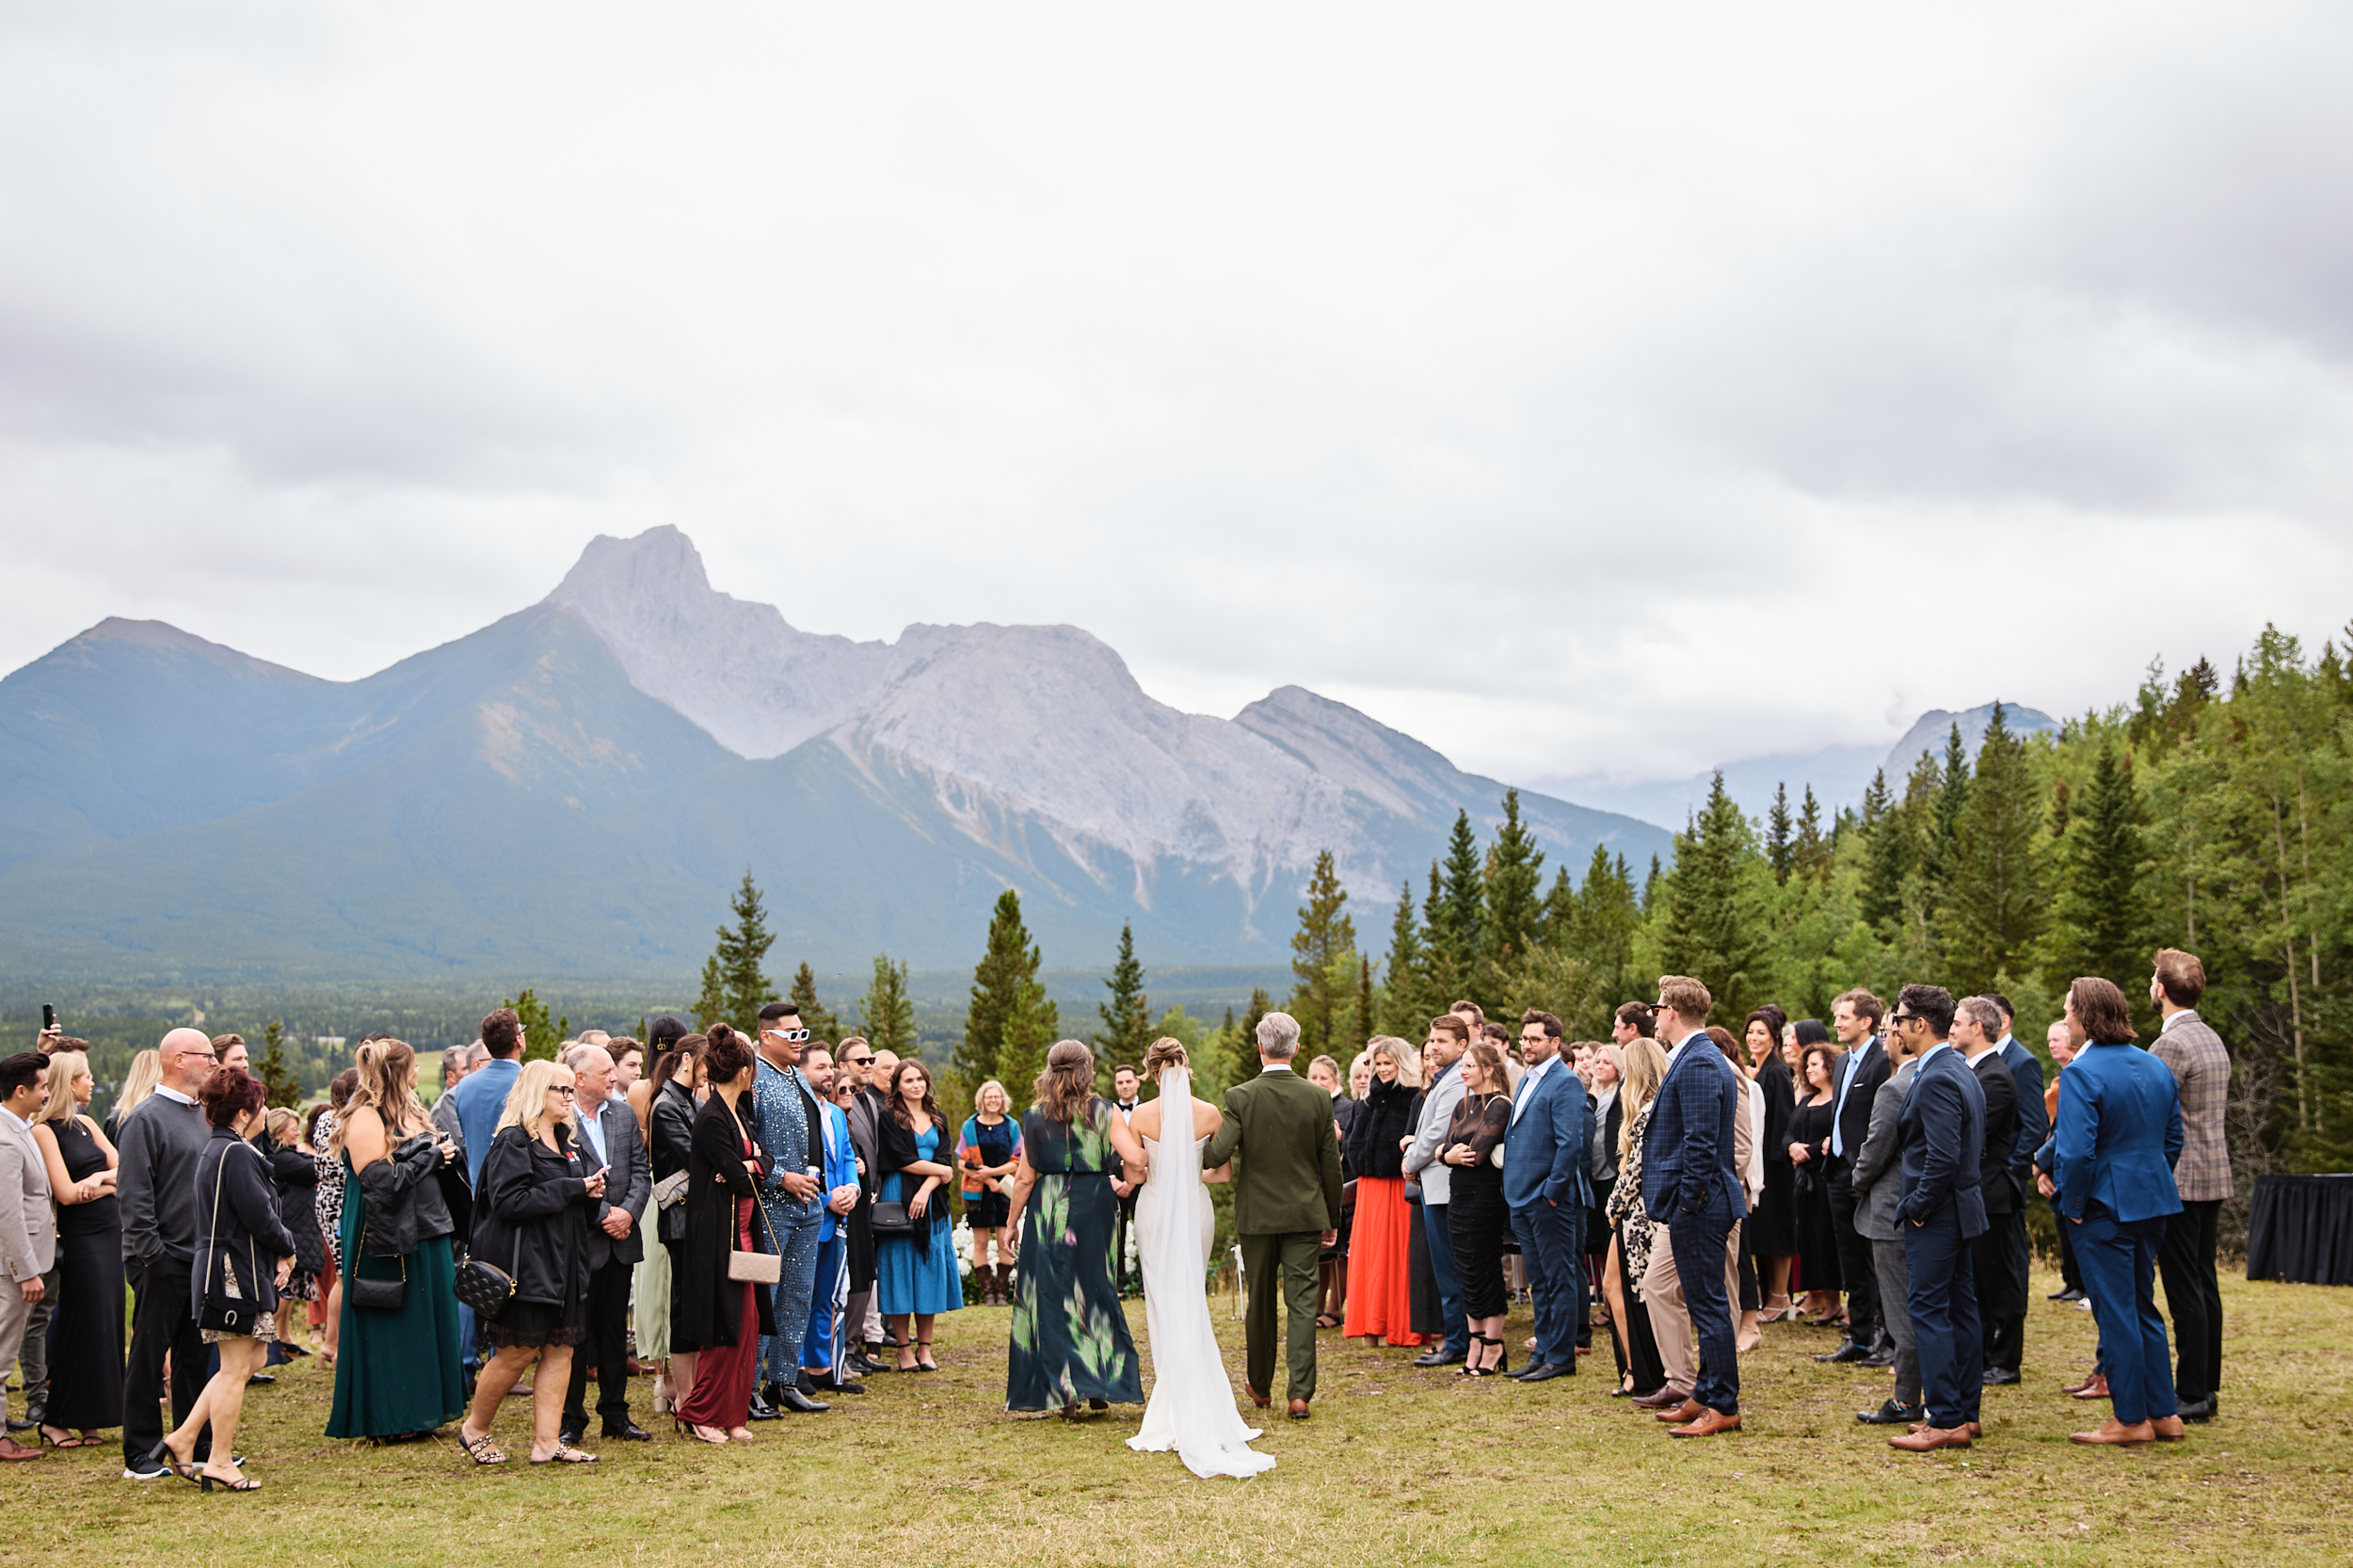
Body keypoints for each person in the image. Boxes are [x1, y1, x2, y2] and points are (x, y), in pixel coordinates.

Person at [1123, 1037, 1269, 1477]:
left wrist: (1161, 1169)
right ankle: (1193, 1392)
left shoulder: (1141, 1115)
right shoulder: (1209, 1113)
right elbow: (1221, 1173)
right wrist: (1189, 1169)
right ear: (1187, 1067)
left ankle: (1171, 1390)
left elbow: (1135, 1172)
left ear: (1150, 1071)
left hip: (1153, 1208)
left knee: (1162, 1298)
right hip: (1194, 1207)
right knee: (1191, 1293)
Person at [2051, 976, 2185, 1447]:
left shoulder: (2082, 1074)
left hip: (2104, 1208)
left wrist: (2076, 1205)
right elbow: (2172, 1141)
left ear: (2086, 1017)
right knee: (2142, 1305)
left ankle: (2130, 1419)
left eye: (2068, 1010)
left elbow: (2076, 1154)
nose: (2065, 1018)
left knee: (2116, 1312)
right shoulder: (2153, 1065)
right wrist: (2143, 1180)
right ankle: (2164, 1413)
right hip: (2152, 1202)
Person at [456, 1058, 609, 1465]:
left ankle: (546, 1442)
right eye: (560, 1089)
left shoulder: (568, 1140)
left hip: (567, 1262)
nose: (568, 1096)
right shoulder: (513, 1140)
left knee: (561, 1350)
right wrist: (572, 1187)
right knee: (517, 1353)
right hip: (528, 1266)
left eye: (569, 1089)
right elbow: (509, 1202)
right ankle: (475, 1429)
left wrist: (590, 1194)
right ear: (536, 1093)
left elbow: (571, 1199)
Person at [151, 1069, 294, 1491]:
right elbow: (259, 1216)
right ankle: (219, 1460)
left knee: (251, 1360)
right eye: (261, 1104)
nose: (266, 1111)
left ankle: (183, 1437)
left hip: (227, 1268)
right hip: (233, 1272)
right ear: (246, 1111)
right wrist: (287, 1247)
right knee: (235, 1368)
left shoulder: (223, 1149)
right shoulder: (235, 1154)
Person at [1201, 1014, 1343, 1420]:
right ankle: (1299, 1394)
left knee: (1260, 1301)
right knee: (1302, 1303)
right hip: (1304, 1213)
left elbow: (1215, 1156)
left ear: (1260, 1048)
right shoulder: (1318, 1098)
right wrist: (1331, 1216)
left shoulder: (1240, 1096)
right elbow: (1330, 1167)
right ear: (1296, 1049)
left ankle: (1260, 1386)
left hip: (1258, 1215)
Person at [1004, 1041, 1146, 1414]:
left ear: (1050, 1071)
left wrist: (1011, 1223)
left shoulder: (1033, 1116)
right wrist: (1132, 1177)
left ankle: (1062, 1390)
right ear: (1087, 1070)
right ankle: (1098, 1384)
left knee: (1049, 1296)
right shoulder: (1105, 1111)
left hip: (1048, 1207)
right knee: (1095, 1290)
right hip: (1093, 1204)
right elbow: (1134, 1158)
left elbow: (1023, 1179)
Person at [1636, 976, 1745, 1437]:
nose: (1653, 1016)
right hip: (1695, 1202)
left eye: (1657, 1008)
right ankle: (1704, 1391)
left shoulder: (1699, 1062)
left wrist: (1687, 1203)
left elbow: (1699, 1144)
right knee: (1703, 1303)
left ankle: (1722, 1405)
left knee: (1708, 1307)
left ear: (1672, 1012)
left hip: (1699, 1204)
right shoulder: (1691, 1058)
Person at [1886, 984, 1988, 1453]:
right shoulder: (1958, 1067)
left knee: (1929, 1310)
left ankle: (1946, 1416)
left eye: (1901, 1019)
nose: (1897, 1027)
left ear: (1920, 1025)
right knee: (1961, 1308)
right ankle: (1965, 1412)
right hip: (1959, 1209)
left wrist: (1920, 1208)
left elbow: (1943, 1157)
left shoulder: (1940, 1076)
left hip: (1940, 1213)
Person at [117, 1028, 219, 1480]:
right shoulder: (145, 1119)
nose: (215, 1064)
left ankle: (196, 1443)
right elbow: (133, 1194)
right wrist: (151, 1255)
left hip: (201, 1257)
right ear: (179, 1059)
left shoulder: (205, 1116)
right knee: (148, 1353)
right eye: (208, 1056)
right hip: (160, 1259)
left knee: (196, 1355)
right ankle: (141, 1450)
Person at [555, 1042, 650, 1447]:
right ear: (580, 1079)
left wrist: (627, 1213)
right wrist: (604, 1216)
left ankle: (616, 1414)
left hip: (621, 1240)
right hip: (582, 1243)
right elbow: (557, 1182)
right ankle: (570, 1419)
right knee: (575, 1336)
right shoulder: (559, 1122)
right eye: (606, 1071)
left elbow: (641, 1172)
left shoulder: (624, 1114)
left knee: (614, 1332)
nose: (615, 1078)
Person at [2149, 949, 2228, 1424]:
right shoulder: (2209, 1037)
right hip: (2212, 1171)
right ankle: (2206, 1384)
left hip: (2182, 1177)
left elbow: (2154, 1112)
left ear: (2160, 990)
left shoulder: (2172, 1046)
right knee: (2204, 1282)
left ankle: (2193, 1390)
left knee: (2184, 1288)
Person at [27, 1050, 120, 1449]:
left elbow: (126, 1168)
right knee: (83, 1324)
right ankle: (58, 1417)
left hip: (110, 1230)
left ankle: (92, 1415)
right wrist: (108, 1183)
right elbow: (66, 1193)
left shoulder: (85, 1123)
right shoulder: (44, 1131)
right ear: (69, 1082)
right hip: (80, 1238)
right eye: (86, 1076)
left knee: (108, 1324)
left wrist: (100, 1178)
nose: (93, 1081)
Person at [748, 1001, 829, 1416]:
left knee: (798, 1295)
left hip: (809, 1202)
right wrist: (781, 1177)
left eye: (802, 1032)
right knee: (767, 1295)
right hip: (770, 1205)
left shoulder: (797, 1075)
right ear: (766, 1036)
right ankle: (749, 1388)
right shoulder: (753, 1078)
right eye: (791, 1034)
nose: (800, 1041)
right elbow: (746, 1142)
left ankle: (782, 1379)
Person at [1503, 1010, 1591, 1384]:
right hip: (1521, 1196)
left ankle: (1560, 1356)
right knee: (1540, 1281)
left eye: (1534, 1039)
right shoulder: (1527, 1079)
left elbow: (1570, 1144)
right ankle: (1542, 1352)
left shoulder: (1565, 1082)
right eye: (1523, 1039)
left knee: (1559, 1279)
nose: (1527, 1046)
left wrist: (1551, 1194)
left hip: (1547, 1199)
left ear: (1555, 1042)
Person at [1849, 1014, 1923, 1426]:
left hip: (1893, 1207)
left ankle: (1907, 1397)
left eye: (1886, 1034)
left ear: (1901, 1038)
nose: (1883, 1042)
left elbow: (1875, 1150)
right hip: (1918, 1207)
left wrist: (1858, 1182)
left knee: (1901, 1310)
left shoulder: (1895, 1089)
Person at [1954, 998, 2024, 1388]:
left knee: (1998, 1280)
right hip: (1977, 1190)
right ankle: (1980, 1355)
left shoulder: (1994, 1076)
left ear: (1978, 1028)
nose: (1952, 1028)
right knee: (1978, 1280)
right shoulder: (1973, 1071)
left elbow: (1974, 1137)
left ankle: (2006, 1360)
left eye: (1959, 1023)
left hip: (1992, 1191)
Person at [1820, 989, 1889, 1366]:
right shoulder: (1843, 1062)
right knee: (1850, 1259)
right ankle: (1859, 1336)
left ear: (1866, 1021)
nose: (1837, 1023)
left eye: (1844, 1017)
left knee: (1876, 1257)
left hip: (1869, 1173)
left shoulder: (1883, 1062)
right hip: (1838, 1171)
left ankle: (1885, 1335)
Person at [1440, 1038, 1514, 1377]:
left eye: (1470, 1065)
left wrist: (1449, 1154)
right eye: (1462, 1065)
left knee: (1485, 1267)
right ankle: (1474, 1339)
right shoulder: (1462, 1105)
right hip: (1459, 1196)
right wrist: (1446, 1154)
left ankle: (1493, 1344)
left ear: (1488, 1069)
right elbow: (1446, 1147)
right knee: (1465, 1269)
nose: (1463, 1071)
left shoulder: (1499, 1105)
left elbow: (1476, 1153)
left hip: (1485, 1199)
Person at [1341, 1037, 1422, 1349]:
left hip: (1397, 1187)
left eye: (1388, 1063)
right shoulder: (1366, 1099)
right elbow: (1351, 1140)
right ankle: (1370, 1325)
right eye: (1378, 1064)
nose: (1383, 1069)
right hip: (1369, 1188)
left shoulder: (1413, 1098)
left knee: (1397, 1257)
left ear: (1400, 1063)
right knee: (1371, 1259)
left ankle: (1398, 1326)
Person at [1401, 1014, 1472, 1368]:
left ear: (1461, 1045)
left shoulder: (1457, 1081)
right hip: (1432, 1180)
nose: (1433, 1046)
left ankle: (1457, 1341)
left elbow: (1435, 1133)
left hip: (1444, 1185)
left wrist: (1410, 1161)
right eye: (1431, 1040)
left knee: (1449, 1267)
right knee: (1444, 1266)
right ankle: (1456, 1337)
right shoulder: (1442, 1079)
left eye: (1441, 1040)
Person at [1602, 1036, 1670, 1399]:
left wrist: (1614, 1206)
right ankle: (1634, 1367)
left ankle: (1643, 1371)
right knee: (1616, 1288)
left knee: (1634, 1293)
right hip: (1631, 1213)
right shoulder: (1644, 1109)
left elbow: (1637, 1170)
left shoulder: (1649, 1112)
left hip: (1639, 1215)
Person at [796, 1047, 862, 1395]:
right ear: (801, 1071)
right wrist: (826, 1200)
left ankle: (822, 1367)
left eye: (829, 1067)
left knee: (827, 1296)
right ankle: (797, 1367)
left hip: (839, 1218)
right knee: (800, 1297)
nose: (828, 1073)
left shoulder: (836, 1113)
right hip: (810, 1213)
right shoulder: (796, 1111)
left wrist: (852, 1187)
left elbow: (847, 1155)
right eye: (820, 1067)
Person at [648, 1030, 708, 1413]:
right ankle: (685, 1397)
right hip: (681, 1218)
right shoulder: (667, 1106)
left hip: (697, 1216)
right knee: (685, 1308)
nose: (710, 1070)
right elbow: (696, 1159)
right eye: (706, 1062)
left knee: (695, 1306)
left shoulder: (691, 1101)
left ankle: (693, 1393)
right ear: (687, 1060)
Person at [0, 1054, 56, 1462]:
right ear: (21, 1091)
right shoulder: (5, 1139)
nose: (47, 1092)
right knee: (2, 1352)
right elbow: (8, 1211)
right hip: (12, 1268)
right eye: (42, 1086)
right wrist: (25, 1271)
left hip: (21, 1264)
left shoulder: (19, 1129)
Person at [1989, 995, 2047, 1381]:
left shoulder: (2022, 1062)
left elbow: (2034, 1123)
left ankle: (2007, 1356)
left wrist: (2014, 1169)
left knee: (2011, 1266)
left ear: (2004, 1021)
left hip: (2004, 1181)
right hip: (1984, 1183)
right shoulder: (1978, 1060)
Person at [1744, 1008, 1798, 1320]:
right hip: (1757, 1161)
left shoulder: (1777, 1072)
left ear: (1775, 1037)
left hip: (1774, 1163)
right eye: (1750, 1032)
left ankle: (1780, 1296)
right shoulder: (1757, 1069)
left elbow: (1781, 1120)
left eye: (1761, 1032)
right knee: (1762, 1234)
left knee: (1777, 1233)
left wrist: (1775, 1159)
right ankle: (1769, 1295)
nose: (1754, 1038)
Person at [835, 1037, 884, 1373]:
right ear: (843, 1066)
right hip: (845, 1201)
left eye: (871, 1059)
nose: (868, 1065)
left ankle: (853, 1347)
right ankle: (844, 1348)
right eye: (860, 1060)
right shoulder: (838, 1103)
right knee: (850, 1275)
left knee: (865, 1272)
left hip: (868, 1198)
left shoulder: (870, 1102)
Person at [1786, 1041, 1843, 1321]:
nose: (1808, 1070)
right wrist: (1790, 1147)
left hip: (1827, 1180)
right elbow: (1789, 1132)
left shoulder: (1838, 1101)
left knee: (1831, 1241)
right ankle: (1827, 1302)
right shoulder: (1807, 1101)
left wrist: (1804, 1150)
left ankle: (1843, 1304)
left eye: (1815, 1064)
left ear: (1830, 1067)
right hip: (1804, 1185)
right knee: (1812, 1243)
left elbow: (1837, 1136)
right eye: (1806, 1065)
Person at [262, 1108, 322, 1356]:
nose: (298, 1132)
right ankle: (265, 1340)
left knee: (291, 1288)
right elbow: (314, 1169)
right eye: (292, 1127)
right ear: (278, 1131)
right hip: (294, 1228)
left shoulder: (287, 1156)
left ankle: (283, 1338)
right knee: (285, 1289)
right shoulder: (281, 1158)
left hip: (298, 1227)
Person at [956, 1080, 1022, 1305]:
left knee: (1004, 1240)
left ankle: (1002, 1291)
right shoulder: (970, 1126)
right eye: (989, 1097)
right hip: (977, 1192)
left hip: (1005, 1191)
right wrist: (986, 1180)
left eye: (997, 1097)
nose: (993, 1101)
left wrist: (993, 1175)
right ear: (982, 1100)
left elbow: (1018, 1160)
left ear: (1003, 1100)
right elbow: (962, 1161)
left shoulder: (1012, 1126)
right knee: (981, 1242)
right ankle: (988, 1293)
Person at [2042, 1021, 2087, 1304]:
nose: (2052, 1044)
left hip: (2068, 1156)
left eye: (2057, 1039)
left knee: (2075, 1220)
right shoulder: (2060, 1077)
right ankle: (2071, 1280)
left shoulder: (2079, 1073)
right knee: (2062, 1223)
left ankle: (2082, 1284)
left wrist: (2039, 1162)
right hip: (2055, 1158)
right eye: (2049, 1040)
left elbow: (2068, 1128)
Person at [1307, 1053, 1352, 1327]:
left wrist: (1340, 1137)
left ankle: (1335, 1310)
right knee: (1318, 1253)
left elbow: (1354, 1142)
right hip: (1311, 1184)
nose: (1318, 1082)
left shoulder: (1346, 1107)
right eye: (1313, 1077)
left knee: (1338, 1251)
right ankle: (1316, 1305)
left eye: (1324, 1078)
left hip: (1340, 1183)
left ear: (1335, 1079)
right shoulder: (1305, 1103)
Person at [1110, 1062, 1144, 1296]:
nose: (1124, 1086)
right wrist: (1111, 1177)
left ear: (1137, 1082)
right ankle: (1117, 1286)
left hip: (1142, 1182)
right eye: (1120, 1082)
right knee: (1116, 1236)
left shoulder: (1149, 1111)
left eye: (1128, 1081)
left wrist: (1133, 1180)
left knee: (1145, 1234)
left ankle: (1145, 1286)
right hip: (1113, 1183)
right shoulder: (1107, 1113)